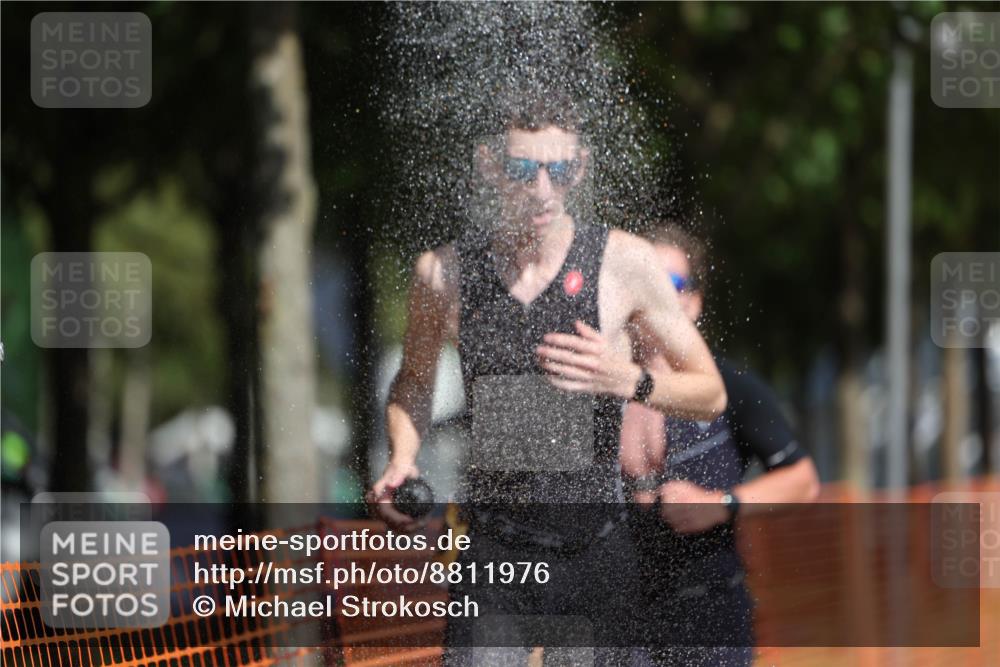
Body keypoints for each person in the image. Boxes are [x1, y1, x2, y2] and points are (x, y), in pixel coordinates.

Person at [366, 96, 727, 665]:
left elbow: (709, 391)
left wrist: (627, 379)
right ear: (489, 166)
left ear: (578, 168)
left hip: (595, 557)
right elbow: (413, 382)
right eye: (520, 170)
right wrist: (402, 457)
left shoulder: (624, 263)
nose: (540, 189)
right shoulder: (444, 274)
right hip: (494, 555)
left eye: (557, 171)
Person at [620, 223, 821, 667]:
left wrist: (721, 503)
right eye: (640, 279)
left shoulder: (729, 386)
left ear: (692, 303)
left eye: (667, 282)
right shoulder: (600, 391)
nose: (650, 293)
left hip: (711, 621)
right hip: (619, 627)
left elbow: (803, 481)